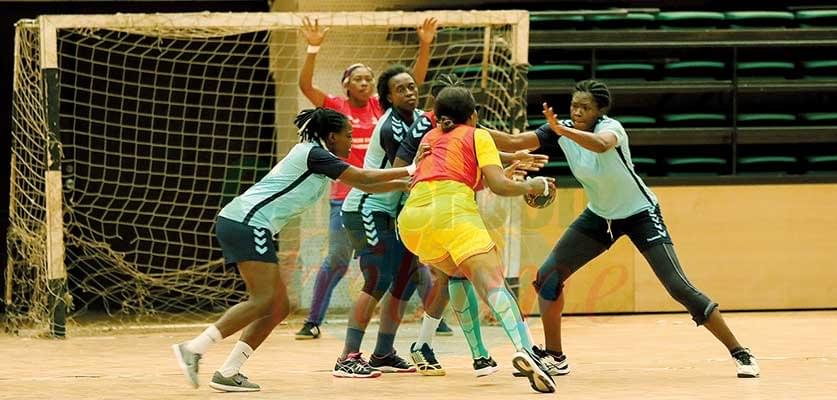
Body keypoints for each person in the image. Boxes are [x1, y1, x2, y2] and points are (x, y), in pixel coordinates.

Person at [490, 79, 761, 378]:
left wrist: (564, 130)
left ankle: (740, 352)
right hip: (600, 216)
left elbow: (602, 144)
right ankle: (555, 356)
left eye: (585, 108)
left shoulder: (611, 128)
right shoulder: (560, 127)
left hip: (640, 213)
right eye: (574, 106)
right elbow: (513, 143)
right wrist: (469, 129)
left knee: (677, 286)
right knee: (548, 278)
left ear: (600, 111)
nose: (577, 112)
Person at [172, 108, 422, 392]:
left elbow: (364, 185)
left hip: (246, 223)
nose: (352, 142)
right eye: (348, 136)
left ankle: (229, 371)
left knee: (278, 306)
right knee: (263, 300)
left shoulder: (317, 156)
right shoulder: (314, 155)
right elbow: (363, 178)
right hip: (247, 222)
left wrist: (404, 183)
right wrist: (411, 168)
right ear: (331, 136)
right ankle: (193, 349)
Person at [295, 16, 452, 339]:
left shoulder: (384, 108)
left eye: (369, 78)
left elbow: (413, 83)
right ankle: (313, 321)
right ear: (346, 85)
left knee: (410, 261)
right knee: (339, 261)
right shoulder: (337, 108)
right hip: (349, 197)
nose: (365, 83)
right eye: (359, 79)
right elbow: (306, 87)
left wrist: (425, 44)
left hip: (387, 194)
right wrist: (313, 47)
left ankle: (434, 318)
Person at [397, 85, 557, 393]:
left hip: (412, 221)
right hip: (453, 214)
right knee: (494, 283)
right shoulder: (478, 135)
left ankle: (480, 356)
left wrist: (500, 172)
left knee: (456, 273)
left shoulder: (430, 137)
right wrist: (531, 186)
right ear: (474, 115)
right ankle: (527, 350)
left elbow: (451, 177)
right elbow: (497, 186)